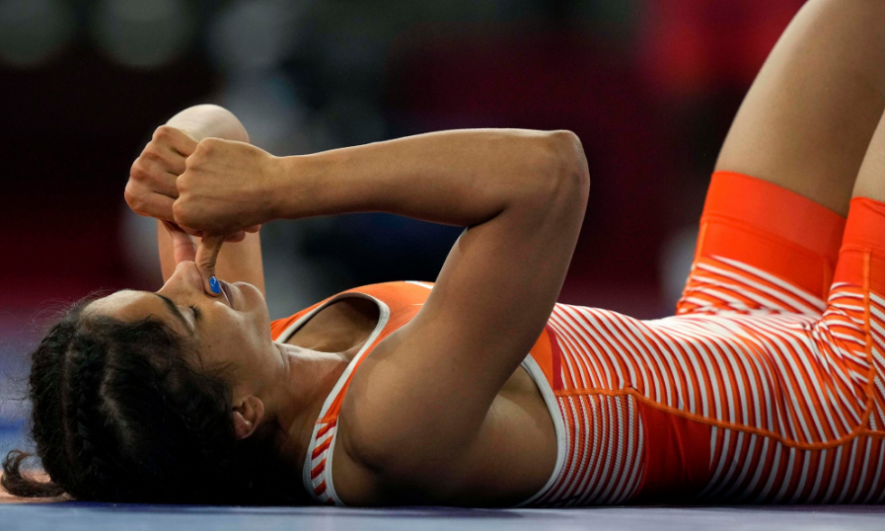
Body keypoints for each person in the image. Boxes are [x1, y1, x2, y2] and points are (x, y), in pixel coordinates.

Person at [4, 0, 885, 506]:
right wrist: (276, 184)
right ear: (237, 415)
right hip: (843, 393)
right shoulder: (385, 430)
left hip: (733, 316)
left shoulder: (255, 366)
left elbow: (211, 130)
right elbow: (550, 173)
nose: (189, 273)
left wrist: (174, 160)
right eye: (182, 307)